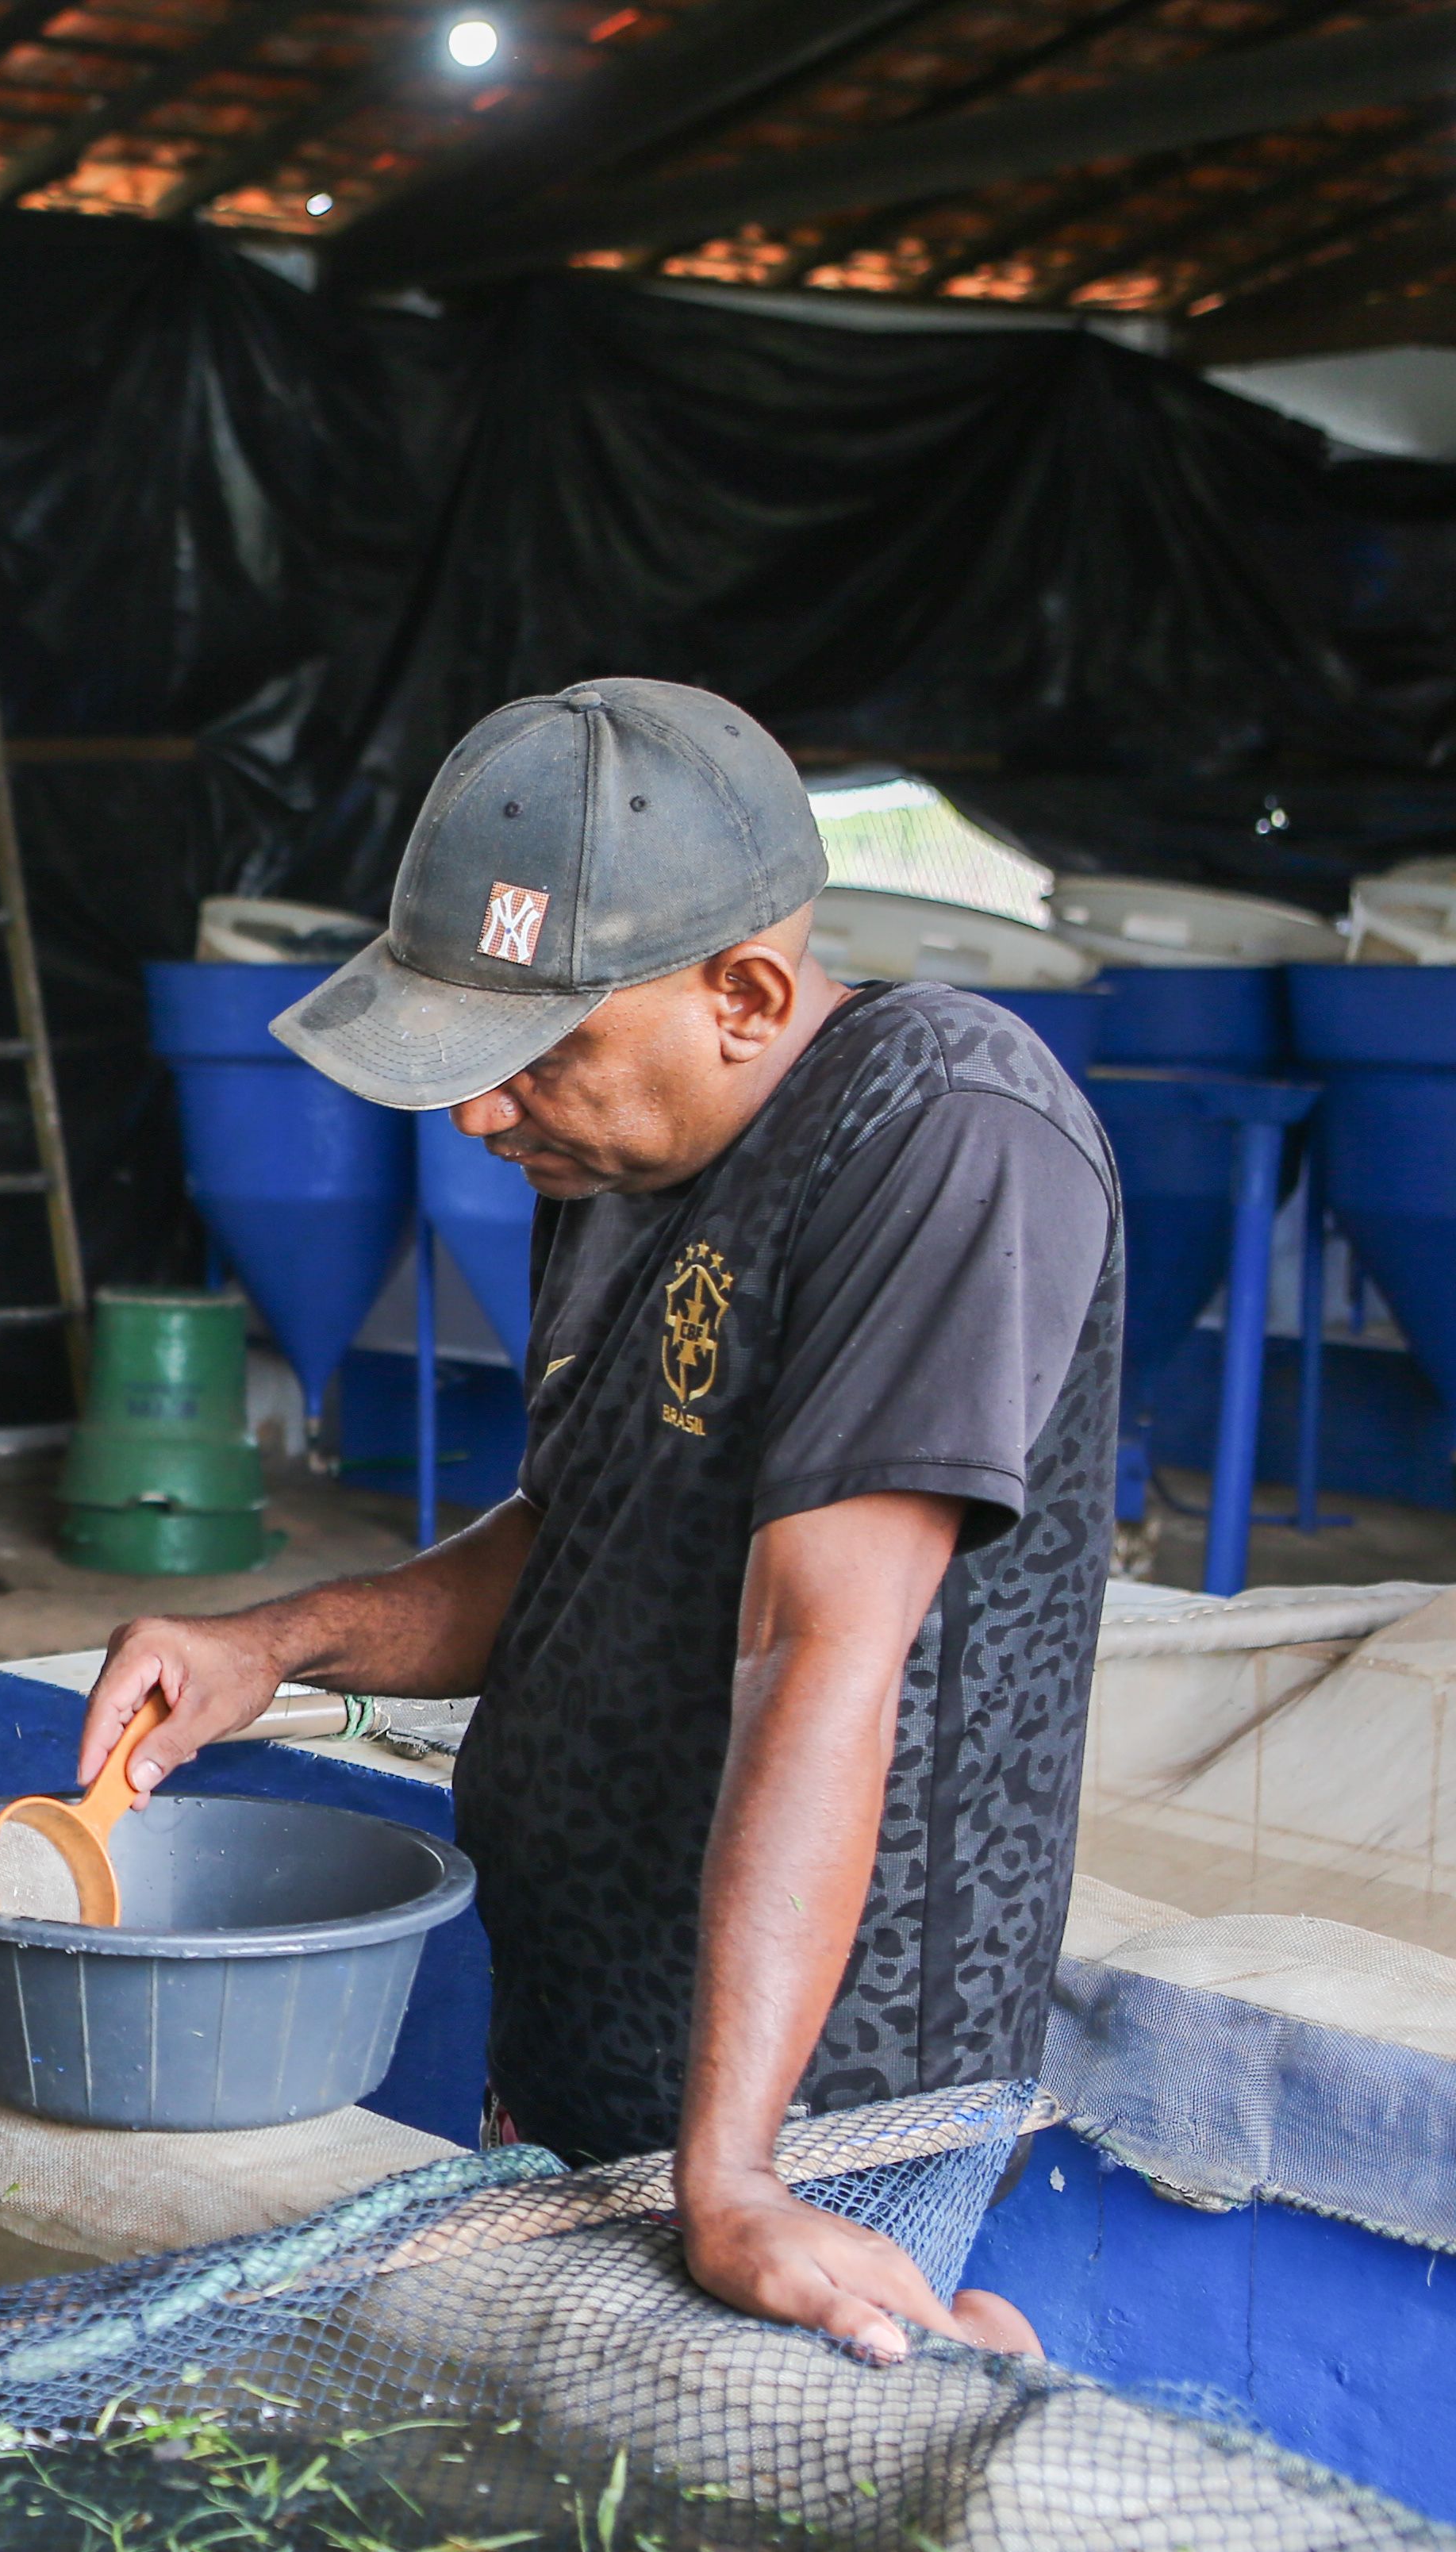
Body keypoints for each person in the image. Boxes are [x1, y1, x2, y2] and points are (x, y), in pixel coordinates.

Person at [78, 679, 1113, 2365]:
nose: (481, 1118)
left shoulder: (940, 1128)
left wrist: (736, 2182)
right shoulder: (618, 1165)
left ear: (746, 994)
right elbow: (577, 1542)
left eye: (534, 1057)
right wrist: (269, 1644)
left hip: (824, 2119)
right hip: (593, 2057)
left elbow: (818, 1649)